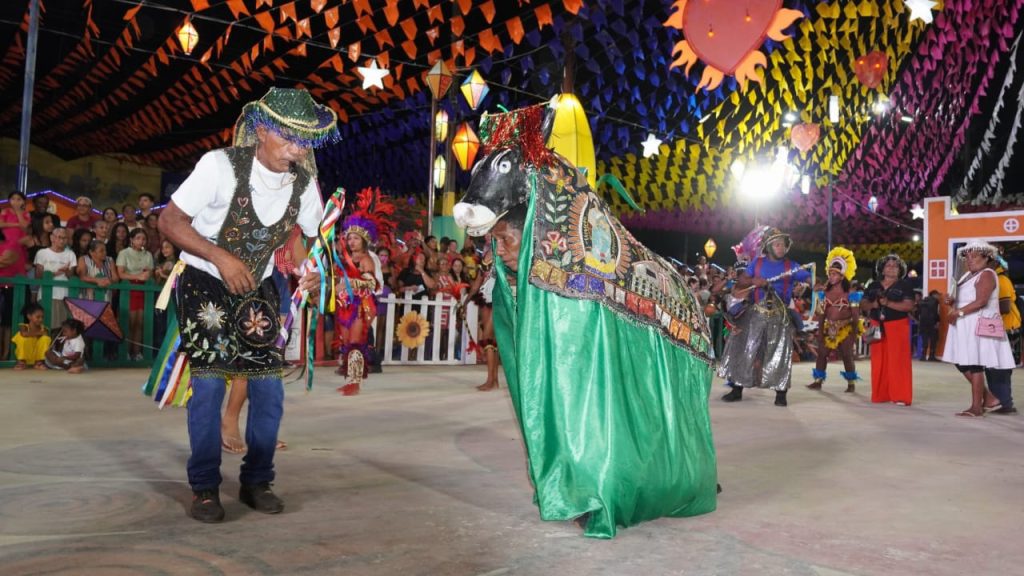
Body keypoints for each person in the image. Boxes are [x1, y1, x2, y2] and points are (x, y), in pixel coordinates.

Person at [156, 87, 335, 523]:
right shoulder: (218, 166)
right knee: (210, 383)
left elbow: (309, 242)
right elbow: (169, 221)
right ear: (262, 130)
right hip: (203, 280)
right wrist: (220, 256)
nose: (297, 150)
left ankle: (257, 480)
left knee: (269, 388)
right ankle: (204, 486)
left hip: (258, 286)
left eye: (304, 140)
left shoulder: (304, 186)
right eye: (288, 138)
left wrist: (310, 271)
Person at [720, 227, 811, 407]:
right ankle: (737, 389)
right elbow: (741, 282)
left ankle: (781, 393)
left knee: (780, 353)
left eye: (783, 245)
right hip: (756, 313)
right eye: (777, 244)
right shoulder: (757, 263)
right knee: (746, 350)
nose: (781, 248)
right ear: (769, 247)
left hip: (780, 316)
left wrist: (815, 284)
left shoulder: (791, 266)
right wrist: (753, 281)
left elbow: (809, 278)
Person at [941, 241, 1015, 417]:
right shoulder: (967, 275)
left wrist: (958, 312)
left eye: (974, 256)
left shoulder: (987, 274)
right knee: (961, 361)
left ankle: (976, 407)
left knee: (974, 364)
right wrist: (951, 300)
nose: (969, 259)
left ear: (986, 257)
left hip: (977, 324)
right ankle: (989, 399)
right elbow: (963, 297)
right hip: (965, 324)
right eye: (967, 256)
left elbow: (981, 301)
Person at [334, 188, 393, 395]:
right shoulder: (346, 258)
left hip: (360, 305)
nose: (351, 242)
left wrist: (349, 283)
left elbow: (371, 283)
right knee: (346, 342)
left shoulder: (366, 258)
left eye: (356, 239)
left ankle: (355, 382)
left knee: (356, 342)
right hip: (345, 304)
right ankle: (350, 378)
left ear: (364, 240)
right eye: (349, 238)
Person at [861, 254, 915, 406]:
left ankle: (900, 396)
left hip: (897, 325)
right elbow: (863, 304)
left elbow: (909, 306)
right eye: (888, 265)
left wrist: (888, 303)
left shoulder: (905, 285)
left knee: (898, 361)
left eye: (895, 266)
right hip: (876, 324)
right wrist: (873, 305)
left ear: (900, 270)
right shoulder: (873, 286)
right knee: (878, 361)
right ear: (882, 269)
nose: (891, 268)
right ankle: (880, 395)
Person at [808, 247, 861, 393]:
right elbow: (821, 314)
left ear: (842, 276)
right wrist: (820, 332)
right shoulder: (824, 293)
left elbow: (855, 316)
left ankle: (851, 383)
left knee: (846, 355)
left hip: (845, 328)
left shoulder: (851, 293)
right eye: (830, 273)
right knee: (822, 354)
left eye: (834, 274)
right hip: (828, 327)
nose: (831, 277)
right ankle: (818, 381)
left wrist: (853, 335)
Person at [985, 255, 1019, 414]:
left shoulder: (1001, 280)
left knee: (999, 368)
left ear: (992, 263)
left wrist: (981, 304)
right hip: (996, 328)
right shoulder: (993, 279)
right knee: (993, 367)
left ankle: (1005, 403)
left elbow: (1004, 307)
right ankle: (1000, 401)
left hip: (1005, 328)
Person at [461, 241, 497, 391]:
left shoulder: (504, 252)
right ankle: (493, 379)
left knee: (488, 338)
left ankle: (491, 380)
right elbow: (478, 281)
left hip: (499, 298)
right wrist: (466, 301)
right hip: (486, 297)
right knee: (490, 340)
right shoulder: (486, 254)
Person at [117, 228, 153, 361]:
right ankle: (126, 351)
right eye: (138, 238)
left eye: (143, 239)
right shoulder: (124, 253)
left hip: (143, 290)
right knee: (129, 322)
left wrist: (146, 275)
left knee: (139, 323)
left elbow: (149, 273)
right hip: (129, 289)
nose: (141, 241)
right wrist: (138, 276)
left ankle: (136, 352)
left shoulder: (148, 255)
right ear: (131, 239)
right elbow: (121, 274)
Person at [33, 227, 77, 329]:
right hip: (46, 294)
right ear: (52, 238)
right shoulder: (42, 253)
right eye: (59, 237)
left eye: (64, 238)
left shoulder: (70, 254)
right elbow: (38, 276)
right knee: (46, 326)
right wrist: (55, 273)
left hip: (64, 295)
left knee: (61, 328)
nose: (62, 240)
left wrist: (66, 271)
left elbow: (71, 276)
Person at [11, 302, 51, 370]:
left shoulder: (44, 328)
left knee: (45, 339)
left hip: (36, 356)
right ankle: (21, 362)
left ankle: (39, 362)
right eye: (38, 317)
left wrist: (38, 333)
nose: (41, 319)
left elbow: (45, 334)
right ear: (29, 316)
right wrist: (39, 333)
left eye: (42, 317)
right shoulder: (24, 326)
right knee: (22, 338)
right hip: (25, 355)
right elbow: (24, 334)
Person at [917, 290, 941, 361]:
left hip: (923, 323)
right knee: (933, 339)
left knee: (925, 339)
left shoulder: (922, 301)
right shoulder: (935, 301)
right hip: (932, 322)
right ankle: (931, 356)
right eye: (938, 295)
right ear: (934, 295)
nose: (939, 297)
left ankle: (923, 356)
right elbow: (936, 312)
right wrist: (937, 321)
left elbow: (919, 312)